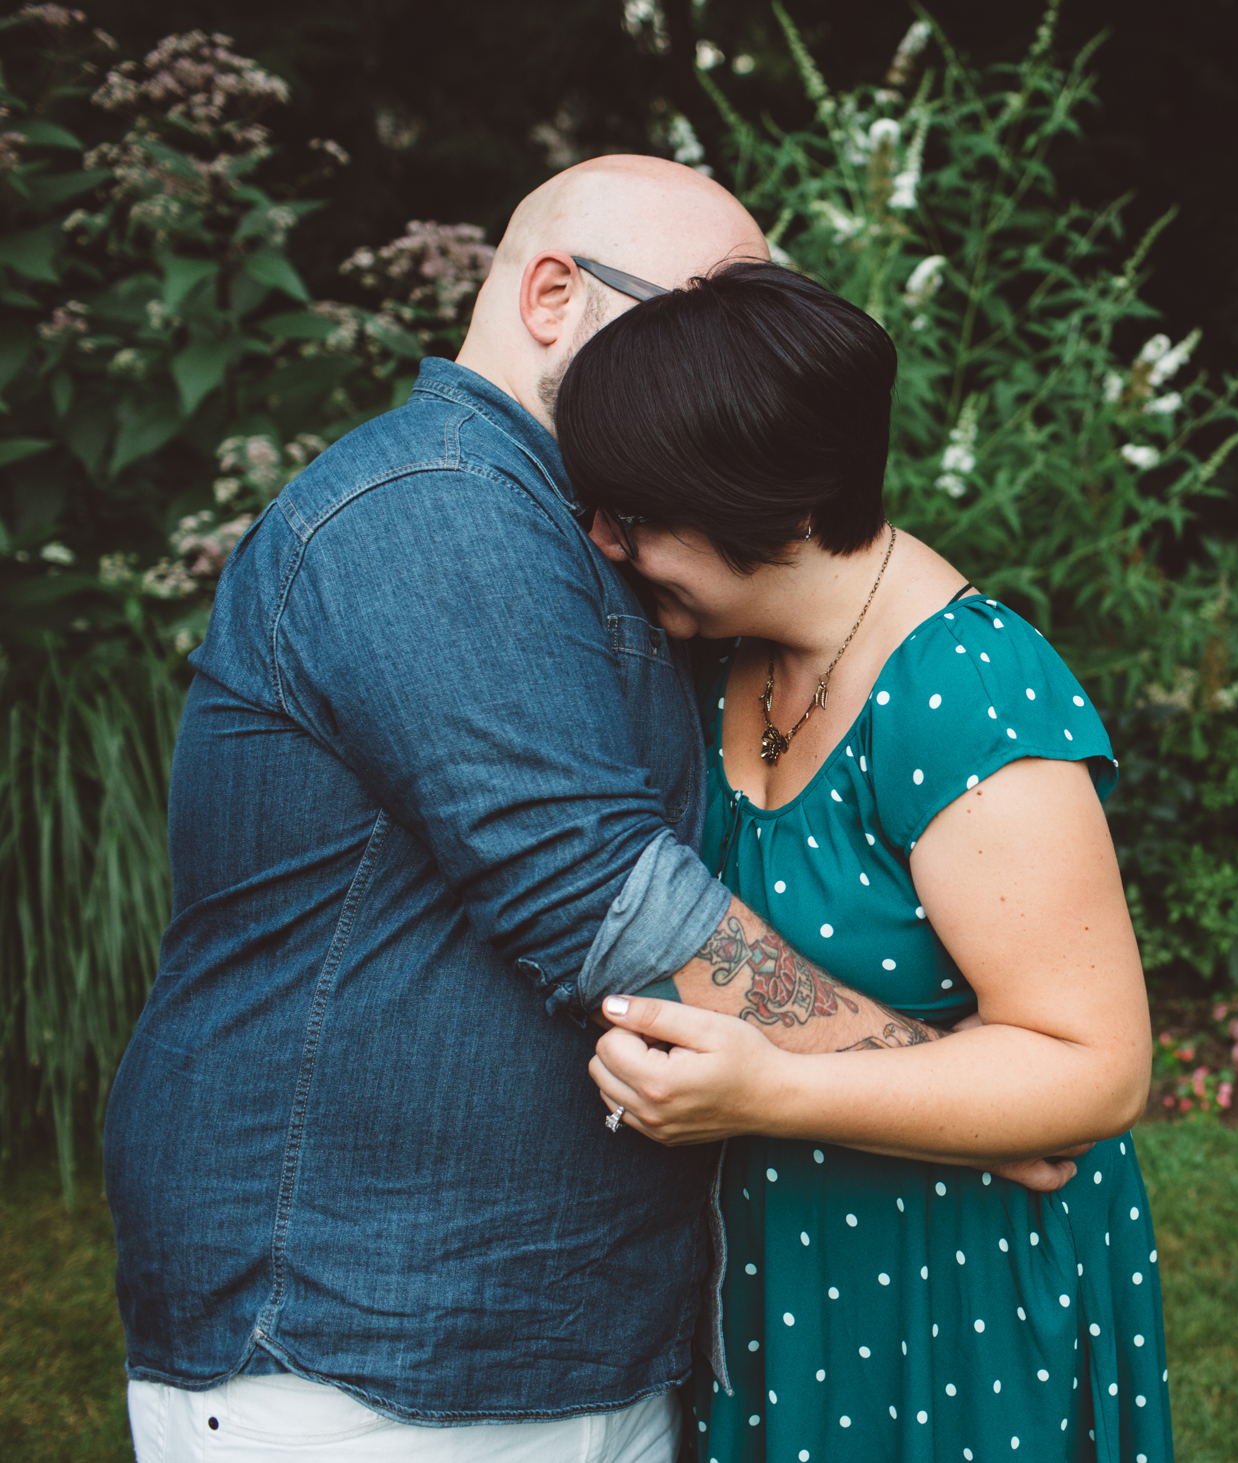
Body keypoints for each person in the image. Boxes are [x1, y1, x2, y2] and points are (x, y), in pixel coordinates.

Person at [104, 157, 1062, 1463]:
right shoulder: (436, 504)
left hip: (557, 1333)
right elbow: (599, 891)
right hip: (364, 1344)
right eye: (691, 312)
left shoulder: (606, 536)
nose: (721, 364)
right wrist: (954, 1091)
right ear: (554, 294)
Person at [558, 261, 1174, 1463]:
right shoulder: (725, 655)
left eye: (634, 517)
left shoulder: (964, 692)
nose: (603, 542)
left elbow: (1096, 1069)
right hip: (788, 1264)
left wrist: (771, 1092)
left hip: (958, 1284)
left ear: (766, 511)